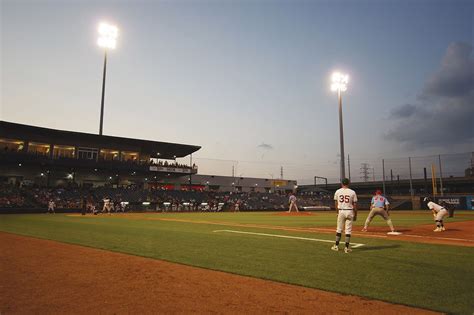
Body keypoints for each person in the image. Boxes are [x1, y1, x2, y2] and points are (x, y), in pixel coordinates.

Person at [332, 178, 357, 253]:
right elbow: (355, 205)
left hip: (341, 211)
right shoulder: (352, 192)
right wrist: (355, 214)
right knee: (348, 230)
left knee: (339, 229)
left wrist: (337, 212)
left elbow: (335, 204)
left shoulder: (338, 191)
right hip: (350, 211)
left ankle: (336, 246)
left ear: (342, 183)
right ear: (348, 183)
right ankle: (346, 248)